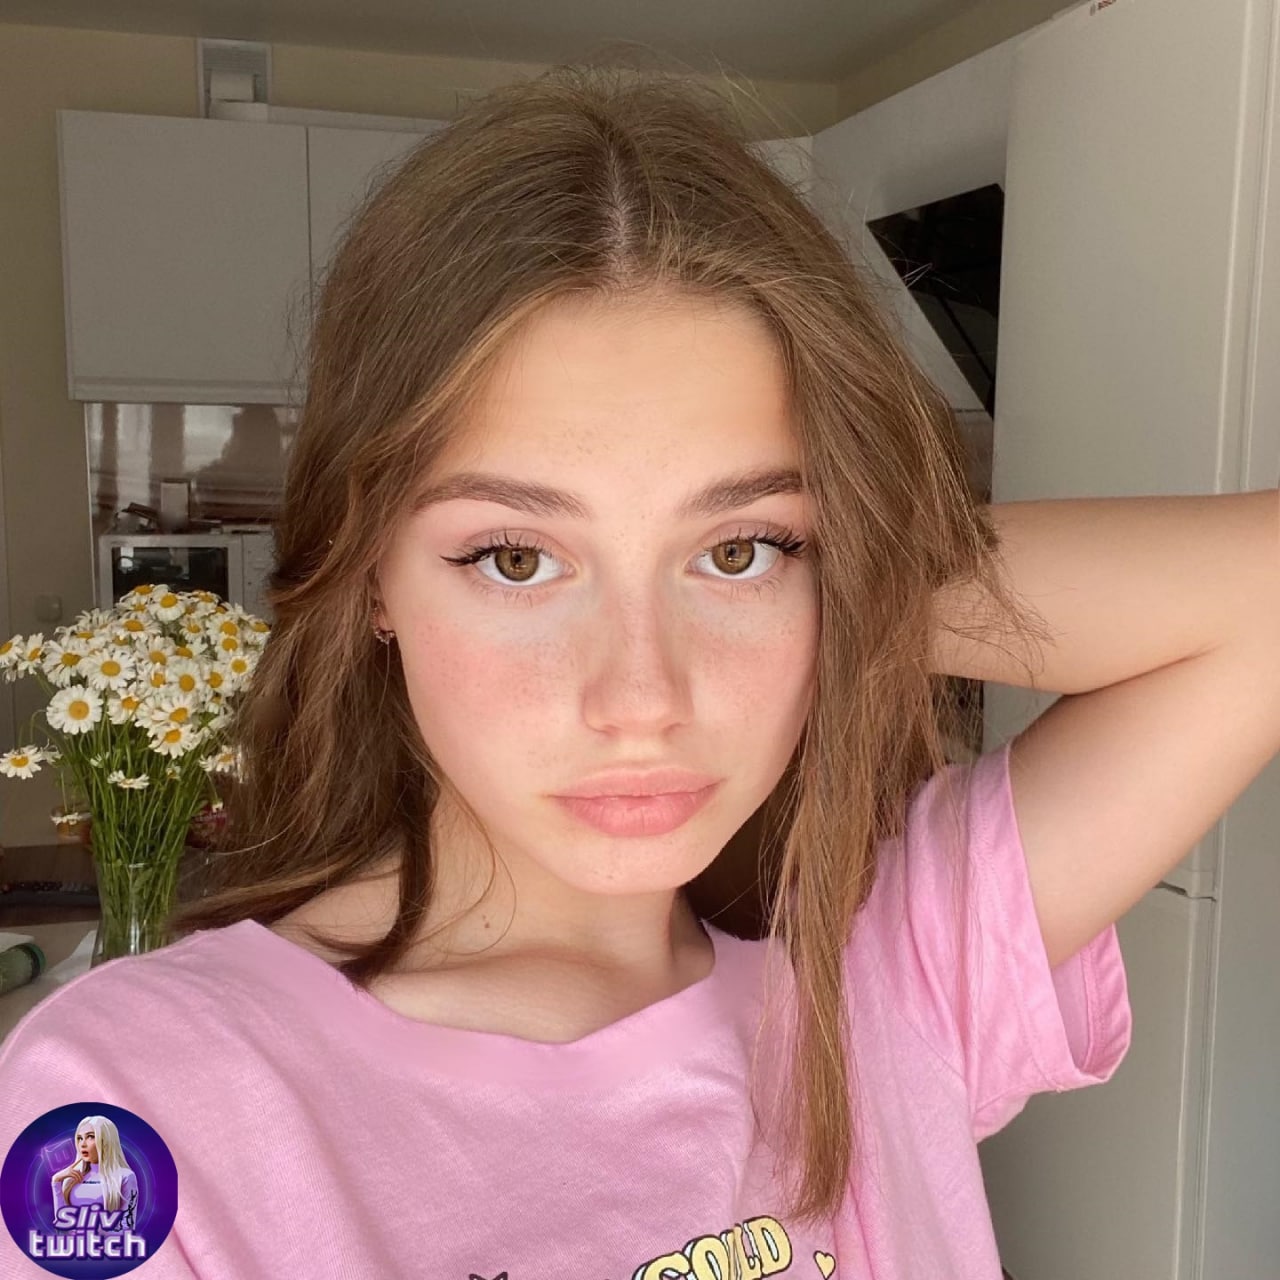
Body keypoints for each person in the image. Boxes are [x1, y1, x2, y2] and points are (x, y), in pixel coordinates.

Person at [3, 59, 1279, 1278]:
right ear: (369, 574)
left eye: (740, 547)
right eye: (514, 558)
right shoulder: (135, 1103)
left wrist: (855, 565)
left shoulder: (877, 973)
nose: (640, 697)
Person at [50, 1115, 138, 1225]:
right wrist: (56, 1181)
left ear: (106, 1140)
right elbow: (61, 1223)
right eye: (80, 1138)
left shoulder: (125, 1176)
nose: (82, 1144)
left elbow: (127, 1225)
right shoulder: (72, 1178)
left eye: (90, 1137)